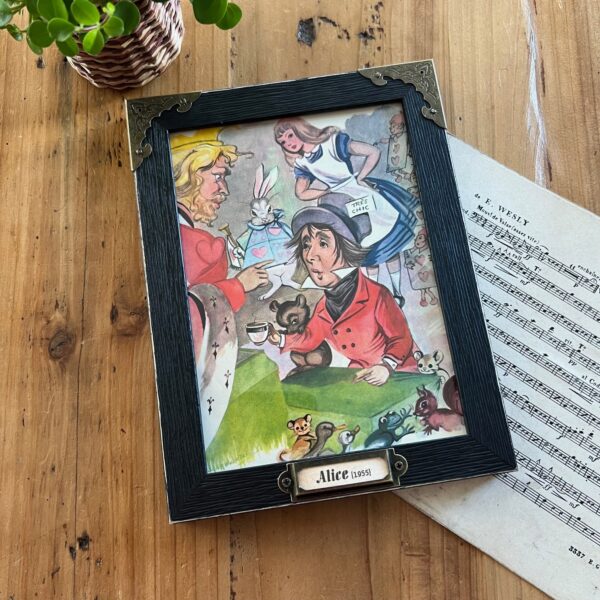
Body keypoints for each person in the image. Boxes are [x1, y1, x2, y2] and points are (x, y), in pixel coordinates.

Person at [267, 197, 418, 386]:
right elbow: (310, 338)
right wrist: (280, 338)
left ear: (347, 251)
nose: (310, 255)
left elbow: (401, 338)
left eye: (323, 243)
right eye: (306, 245)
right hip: (360, 374)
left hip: (398, 373)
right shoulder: (324, 306)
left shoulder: (377, 295)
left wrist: (386, 366)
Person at [273, 116, 418, 306]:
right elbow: (300, 192)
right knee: (367, 254)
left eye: (290, 135)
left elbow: (373, 151)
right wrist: (326, 191)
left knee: (388, 246)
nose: (289, 143)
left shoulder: (332, 143)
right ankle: (376, 297)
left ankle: (397, 292)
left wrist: (361, 177)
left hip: (361, 195)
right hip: (338, 203)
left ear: (301, 130)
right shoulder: (302, 163)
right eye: (283, 142)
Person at [171, 130, 271, 357]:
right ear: (189, 176)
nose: (224, 189)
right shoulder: (192, 243)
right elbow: (184, 313)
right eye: (217, 177)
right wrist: (238, 285)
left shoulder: (183, 232)